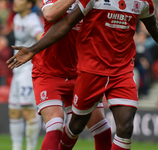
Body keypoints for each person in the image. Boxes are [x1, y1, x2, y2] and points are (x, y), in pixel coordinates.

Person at [7, 0, 158, 149]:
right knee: (57, 126)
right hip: (51, 72)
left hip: (84, 71)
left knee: (110, 129)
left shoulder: (140, 2)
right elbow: (52, 16)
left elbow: (151, 23)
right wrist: (32, 49)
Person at [30, 0, 112, 149]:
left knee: (103, 130)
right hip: (48, 71)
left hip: (81, 73)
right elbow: (49, 14)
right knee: (55, 126)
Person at [8, 0, 44, 150]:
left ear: (29, 4)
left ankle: (31, 148)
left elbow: (41, 37)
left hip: (28, 72)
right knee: (14, 111)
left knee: (29, 113)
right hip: (17, 71)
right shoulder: (17, 18)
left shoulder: (32, 21)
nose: (15, 1)